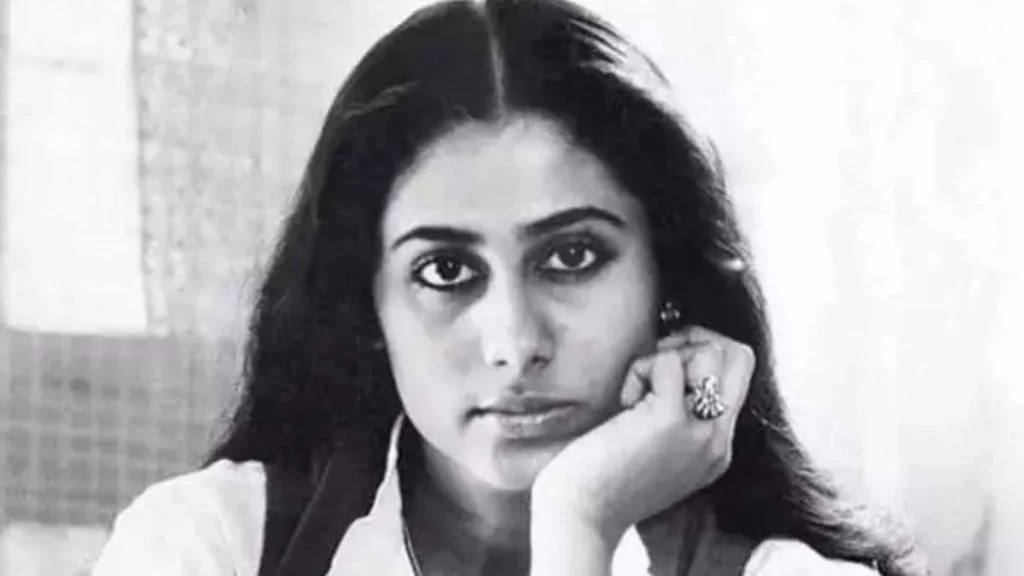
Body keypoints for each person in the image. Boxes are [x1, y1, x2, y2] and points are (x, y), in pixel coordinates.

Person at [92, 0, 928, 574]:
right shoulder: (208, 547)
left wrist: (580, 523)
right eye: (446, 272)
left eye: (572, 257)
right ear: (366, 306)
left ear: (667, 279)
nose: (515, 342)